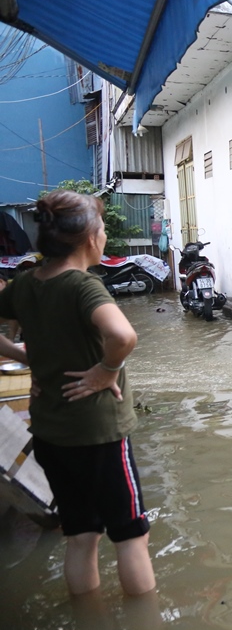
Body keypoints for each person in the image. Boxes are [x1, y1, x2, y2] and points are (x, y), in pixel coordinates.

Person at [0, 189, 155, 597]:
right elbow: (123, 335)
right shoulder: (83, 287)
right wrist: (107, 370)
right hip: (99, 436)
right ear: (90, 238)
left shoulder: (25, 284)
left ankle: (92, 625)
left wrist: (20, 355)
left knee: (81, 537)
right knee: (131, 537)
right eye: (102, 228)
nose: (104, 236)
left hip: (51, 434)